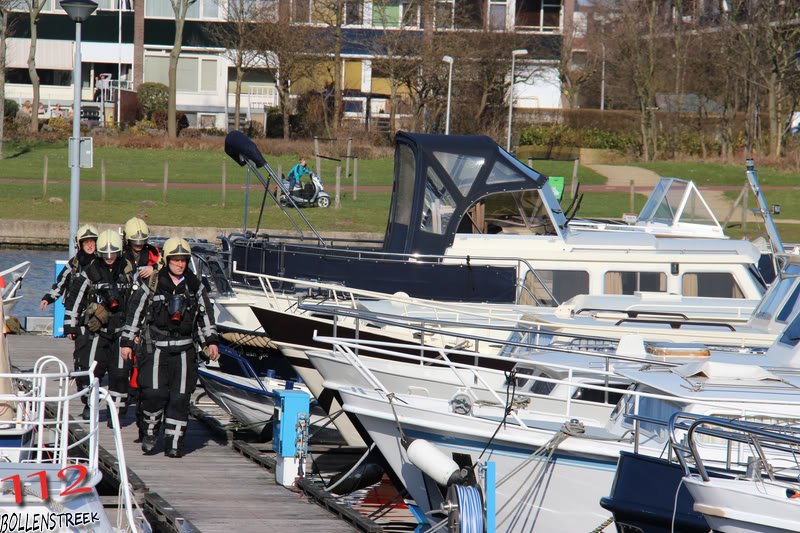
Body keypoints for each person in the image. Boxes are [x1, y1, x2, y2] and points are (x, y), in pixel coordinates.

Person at [120, 238, 219, 458]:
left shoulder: (195, 286)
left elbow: (205, 317)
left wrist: (211, 341)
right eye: (176, 259)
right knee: (154, 394)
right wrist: (127, 342)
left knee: (180, 398)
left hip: (185, 350)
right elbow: (134, 313)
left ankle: (174, 442)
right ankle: (150, 431)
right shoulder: (153, 283)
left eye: (184, 260)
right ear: (167, 259)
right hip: (155, 349)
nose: (180, 264)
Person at [64, 230, 135, 420]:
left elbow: (137, 301)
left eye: (113, 254)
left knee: (120, 374)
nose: (110, 258)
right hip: (97, 330)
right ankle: (90, 403)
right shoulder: (90, 272)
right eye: (106, 254)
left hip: (121, 330)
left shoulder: (128, 272)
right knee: (92, 370)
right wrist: (70, 326)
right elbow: (75, 299)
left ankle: (117, 412)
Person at [121, 217, 161, 442]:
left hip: (145, 317)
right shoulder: (120, 254)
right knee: (121, 368)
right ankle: (122, 401)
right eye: (135, 240)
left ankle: (140, 419)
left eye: (141, 240)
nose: (138, 244)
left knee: (141, 372)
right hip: (124, 312)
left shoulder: (155, 253)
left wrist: (153, 268)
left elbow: (169, 268)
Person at [40, 224, 98, 310]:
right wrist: (48, 298)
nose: (90, 245)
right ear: (80, 244)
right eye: (86, 242)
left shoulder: (100, 263)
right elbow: (61, 285)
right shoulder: (74, 263)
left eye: (92, 242)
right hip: (74, 308)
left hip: (95, 308)